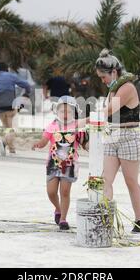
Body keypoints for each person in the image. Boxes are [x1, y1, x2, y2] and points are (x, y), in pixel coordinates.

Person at [95, 49, 140, 233]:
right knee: (105, 180)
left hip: (129, 137)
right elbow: (106, 115)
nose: (103, 80)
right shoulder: (113, 90)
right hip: (112, 136)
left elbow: (108, 111)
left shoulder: (127, 88)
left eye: (103, 77)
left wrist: (86, 117)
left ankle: (139, 220)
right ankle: (104, 220)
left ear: (114, 72)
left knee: (131, 181)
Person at [32, 96, 88, 231]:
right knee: (51, 192)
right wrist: (39, 144)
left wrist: (100, 117)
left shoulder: (76, 125)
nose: (65, 114)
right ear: (56, 112)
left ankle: (63, 218)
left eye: (68, 111)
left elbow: (89, 120)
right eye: (62, 111)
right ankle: (57, 208)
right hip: (53, 163)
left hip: (69, 164)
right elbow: (44, 140)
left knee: (64, 191)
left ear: (74, 112)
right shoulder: (52, 126)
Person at [0, 62, 31, 156]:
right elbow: (26, 85)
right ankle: (3, 142)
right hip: (10, 107)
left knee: (7, 128)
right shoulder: (11, 76)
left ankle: (12, 149)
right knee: (13, 128)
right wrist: (27, 93)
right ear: (7, 69)